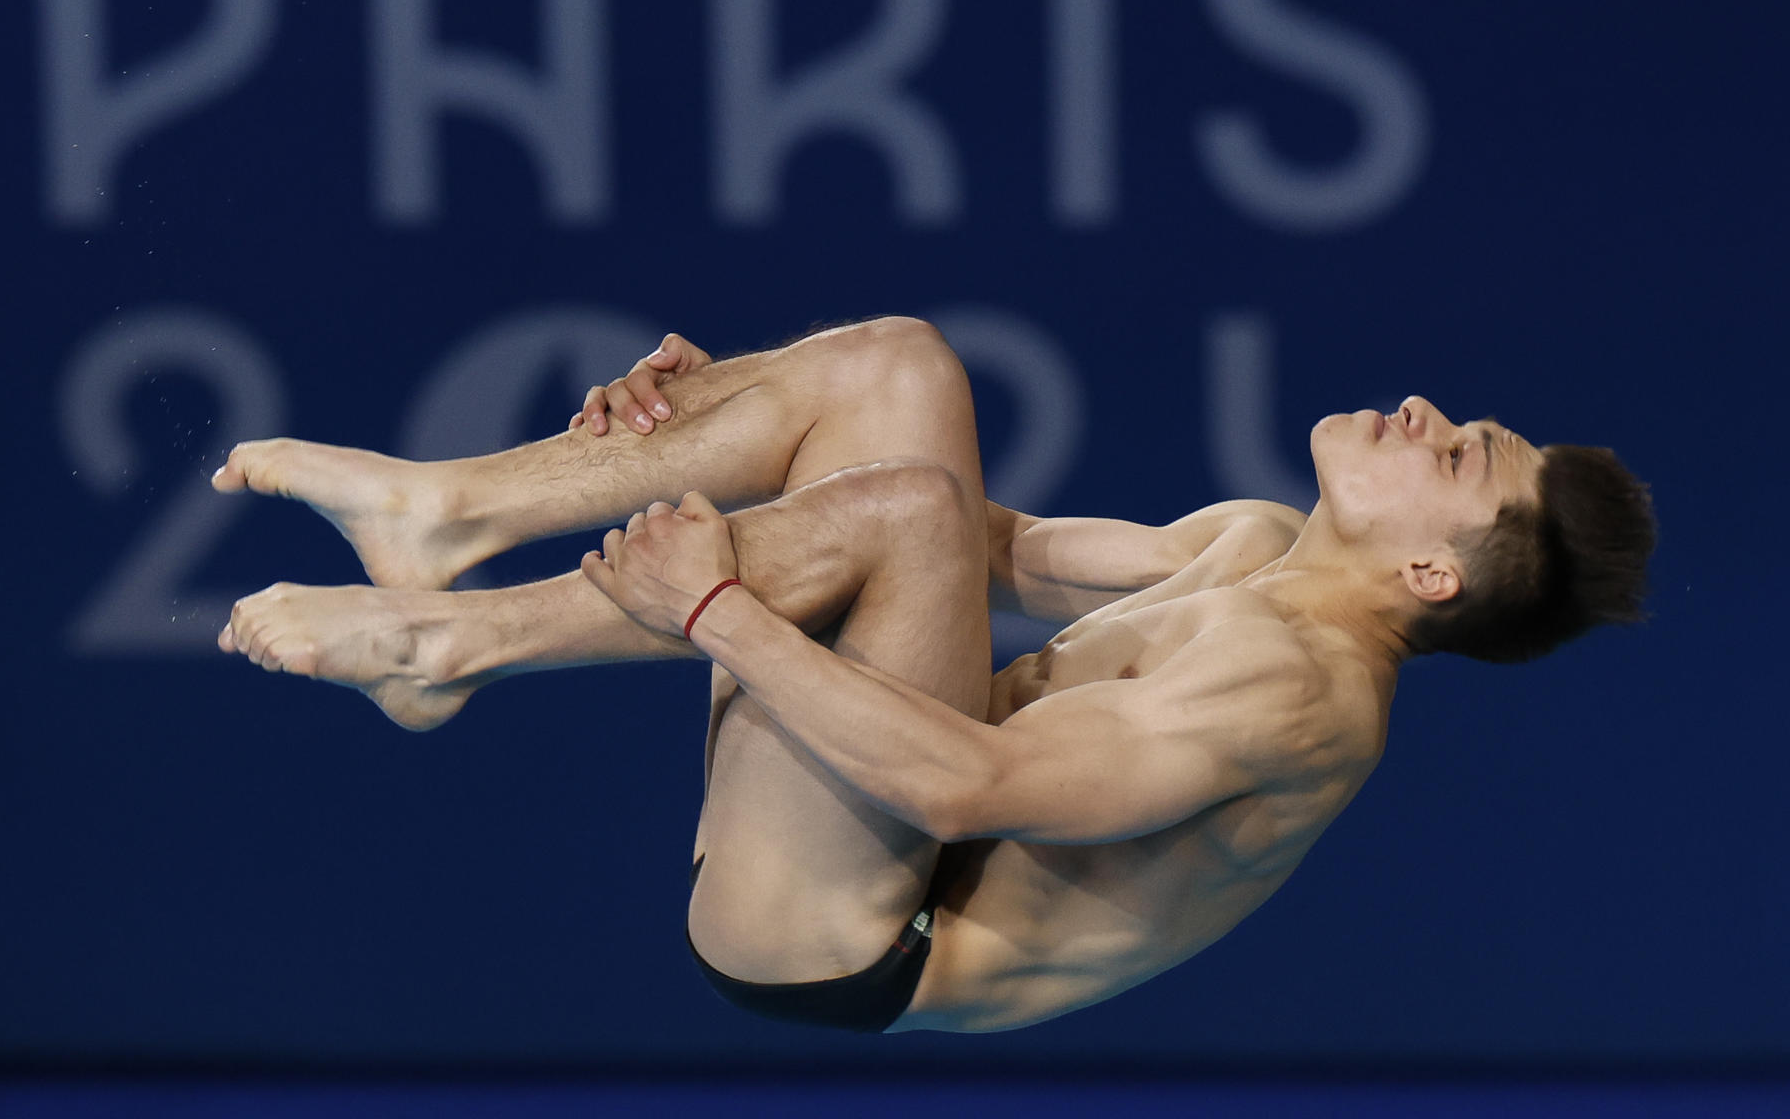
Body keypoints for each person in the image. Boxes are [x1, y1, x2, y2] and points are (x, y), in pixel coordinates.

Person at [212, 317, 1655, 1033]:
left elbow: (971, 785)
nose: (1423, 414)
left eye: (1456, 453)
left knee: (898, 507)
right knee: (899, 369)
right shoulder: (1250, 546)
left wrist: (713, 601)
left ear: (1431, 578)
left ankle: (447, 641)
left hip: (850, 929)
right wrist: (731, 425)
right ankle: (444, 514)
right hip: (862, 796)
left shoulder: (1302, 697)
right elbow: (997, 542)